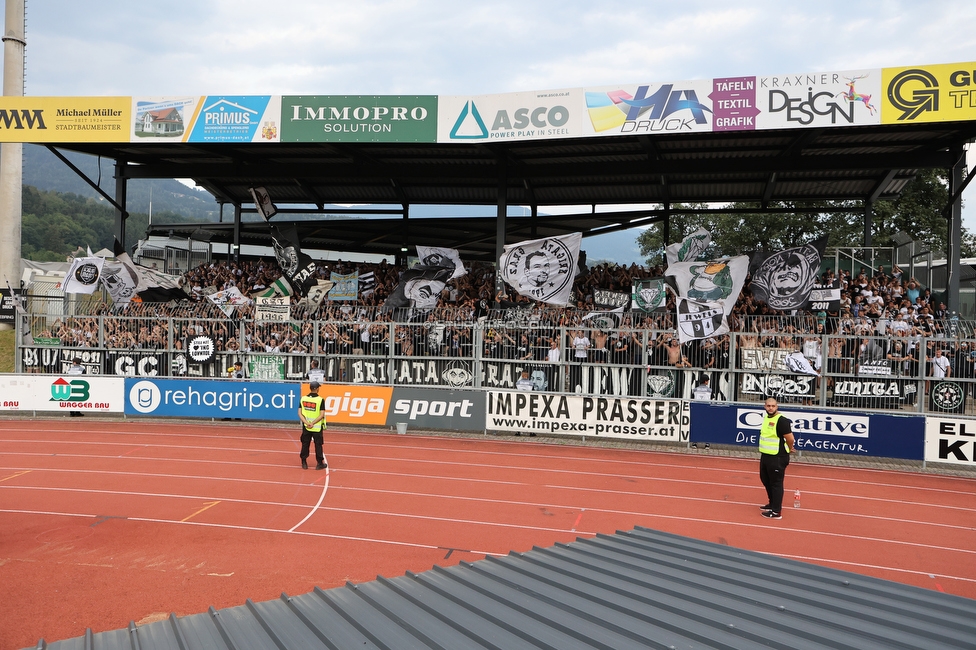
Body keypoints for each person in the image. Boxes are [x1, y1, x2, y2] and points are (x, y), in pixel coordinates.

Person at [759, 397, 795, 520]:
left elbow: (790, 438)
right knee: (765, 479)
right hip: (766, 455)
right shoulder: (766, 418)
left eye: (773, 406)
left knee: (776, 484)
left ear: (777, 407)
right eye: (768, 406)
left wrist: (790, 448)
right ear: (765, 406)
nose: (770, 408)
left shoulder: (782, 421)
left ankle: (776, 512)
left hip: (778, 457)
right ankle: (772, 503)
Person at [298, 382, 327, 470]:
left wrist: (306, 423)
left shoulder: (303, 399)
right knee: (318, 445)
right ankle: (319, 463)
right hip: (317, 427)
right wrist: (313, 423)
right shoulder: (320, 400)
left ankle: (304, 462)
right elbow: (321, 414)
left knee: (305, 444)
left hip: (306, 427)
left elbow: (299, 413)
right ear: (317, 389)